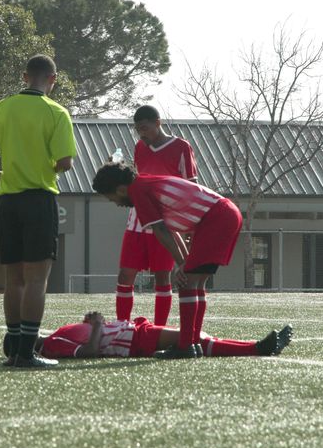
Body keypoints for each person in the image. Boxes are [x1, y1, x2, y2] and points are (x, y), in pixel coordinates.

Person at [0, 54, 77, 369]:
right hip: (39, 200)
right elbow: (65, 162)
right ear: (52, 79)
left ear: (25, 77)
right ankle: (26, 352)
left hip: (8, 201)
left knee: (14, 278)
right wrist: (49, 166)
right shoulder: (56, 112)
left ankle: (13, 349)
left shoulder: (3, 108)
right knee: (37, 279)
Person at [92, 161, 244, 359]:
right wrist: (184, 260)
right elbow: (171, 227)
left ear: (121, 189)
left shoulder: (138, 191)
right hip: (226, 213)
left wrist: (181, 262)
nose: (117, 204)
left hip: (217, 217)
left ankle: (186, 345)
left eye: (112, 198)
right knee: (196, 283)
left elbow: (161, 230)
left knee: (188, 281)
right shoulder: (146, 184)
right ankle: (193, 341)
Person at [114, 106, 198, 327]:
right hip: (137, 221)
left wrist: (188, 227)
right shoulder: (140, 147)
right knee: (125, 276)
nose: (142, 133)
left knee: (162, 277)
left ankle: (159, 330)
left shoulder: (181, 147)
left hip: (166, 223)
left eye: (145, 128)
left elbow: (192, 186)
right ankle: (122, 328)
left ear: (158, 123)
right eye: (138, 129)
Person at [38, 311, 293, 359]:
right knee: (194, 338)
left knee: (197, 337)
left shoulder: (54, 338)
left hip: (135, 332)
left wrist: (93, 324)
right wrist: (96, 326)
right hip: (134, 340)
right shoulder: (52, 344)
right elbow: (89, 352)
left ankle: (257, 347)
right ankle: (256, 349)